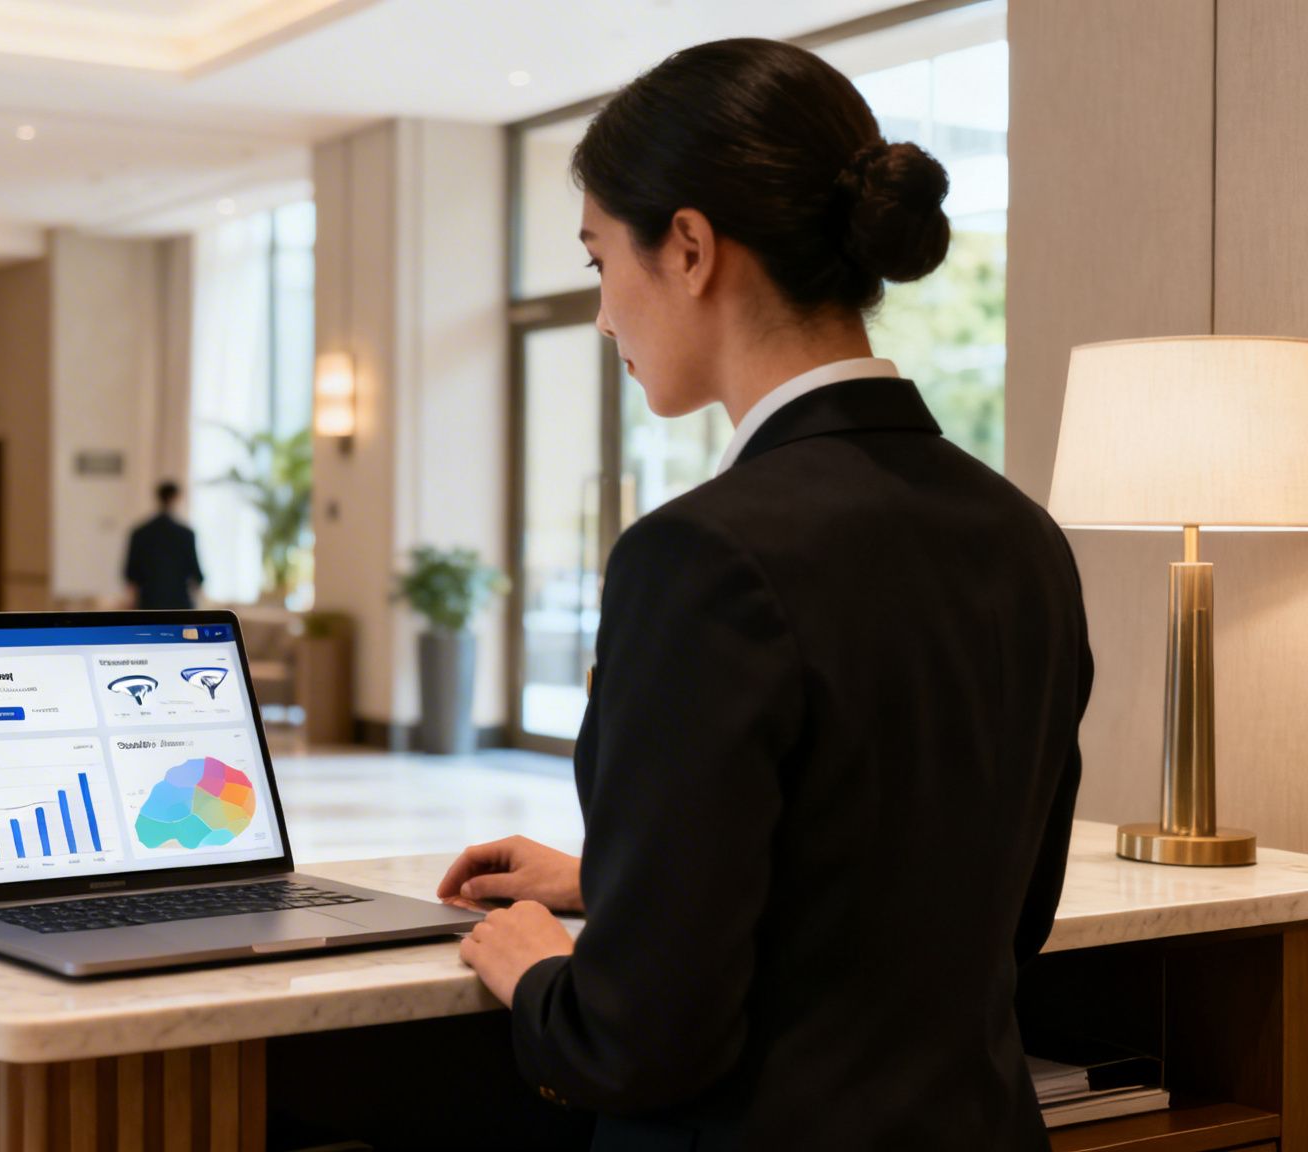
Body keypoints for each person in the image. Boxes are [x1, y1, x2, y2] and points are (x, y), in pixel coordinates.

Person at [436, 39, 1092, 1150]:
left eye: (599, 263)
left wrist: (544, 971)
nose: (601, 317)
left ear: (687, 247)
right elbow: (983, 912)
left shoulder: (697, 556)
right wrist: (631, 880)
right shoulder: (1020, 532)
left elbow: (637, 1038)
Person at [123, 480, 204, 610]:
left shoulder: (139, 533)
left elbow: (130, 574)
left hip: (148, 606)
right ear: (176, 498)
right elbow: (197, 574)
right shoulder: (186, 534)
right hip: (180, 606)